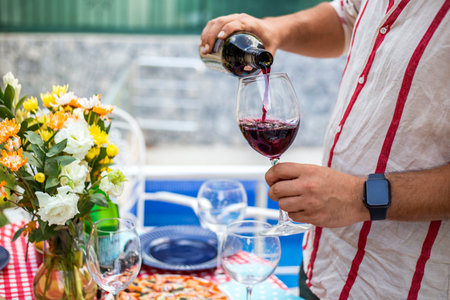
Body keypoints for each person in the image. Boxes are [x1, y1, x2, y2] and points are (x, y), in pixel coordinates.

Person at [200, 1, 450, 299]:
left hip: (399, 286)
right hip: (323, 268)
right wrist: (276, 29)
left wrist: (360, 196)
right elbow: (345, 17)